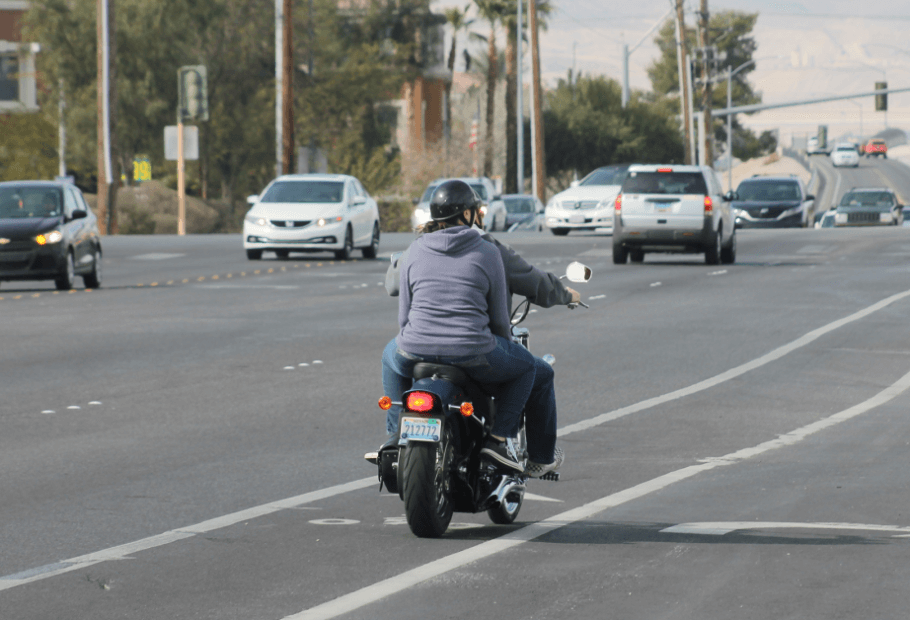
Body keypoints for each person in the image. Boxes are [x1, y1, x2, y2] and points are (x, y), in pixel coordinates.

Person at [382, 181, 581, 477]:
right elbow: (500, 315)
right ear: (467, 215)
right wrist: (506, 344)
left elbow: (404, 313)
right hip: (473, 351)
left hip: (414, 347)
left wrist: (410, 341)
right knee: (531, 368)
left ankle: (395, 433)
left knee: (389, 356)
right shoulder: (487, 250)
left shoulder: (413, 250)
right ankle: (499, 441)